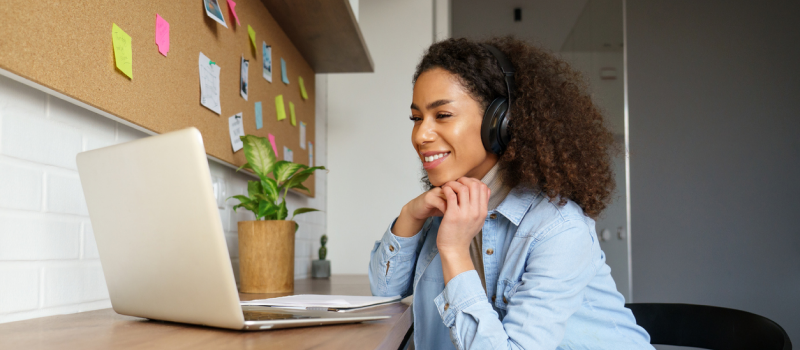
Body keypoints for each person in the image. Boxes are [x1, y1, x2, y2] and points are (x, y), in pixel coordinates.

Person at [368, 36, 655, 349]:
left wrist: (453, 250)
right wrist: (410, 214)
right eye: (416, 118)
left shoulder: (559, 229)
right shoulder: (445, 207)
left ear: (500, 122)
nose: (421, 135)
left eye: (443, 115)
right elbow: (384, 294)